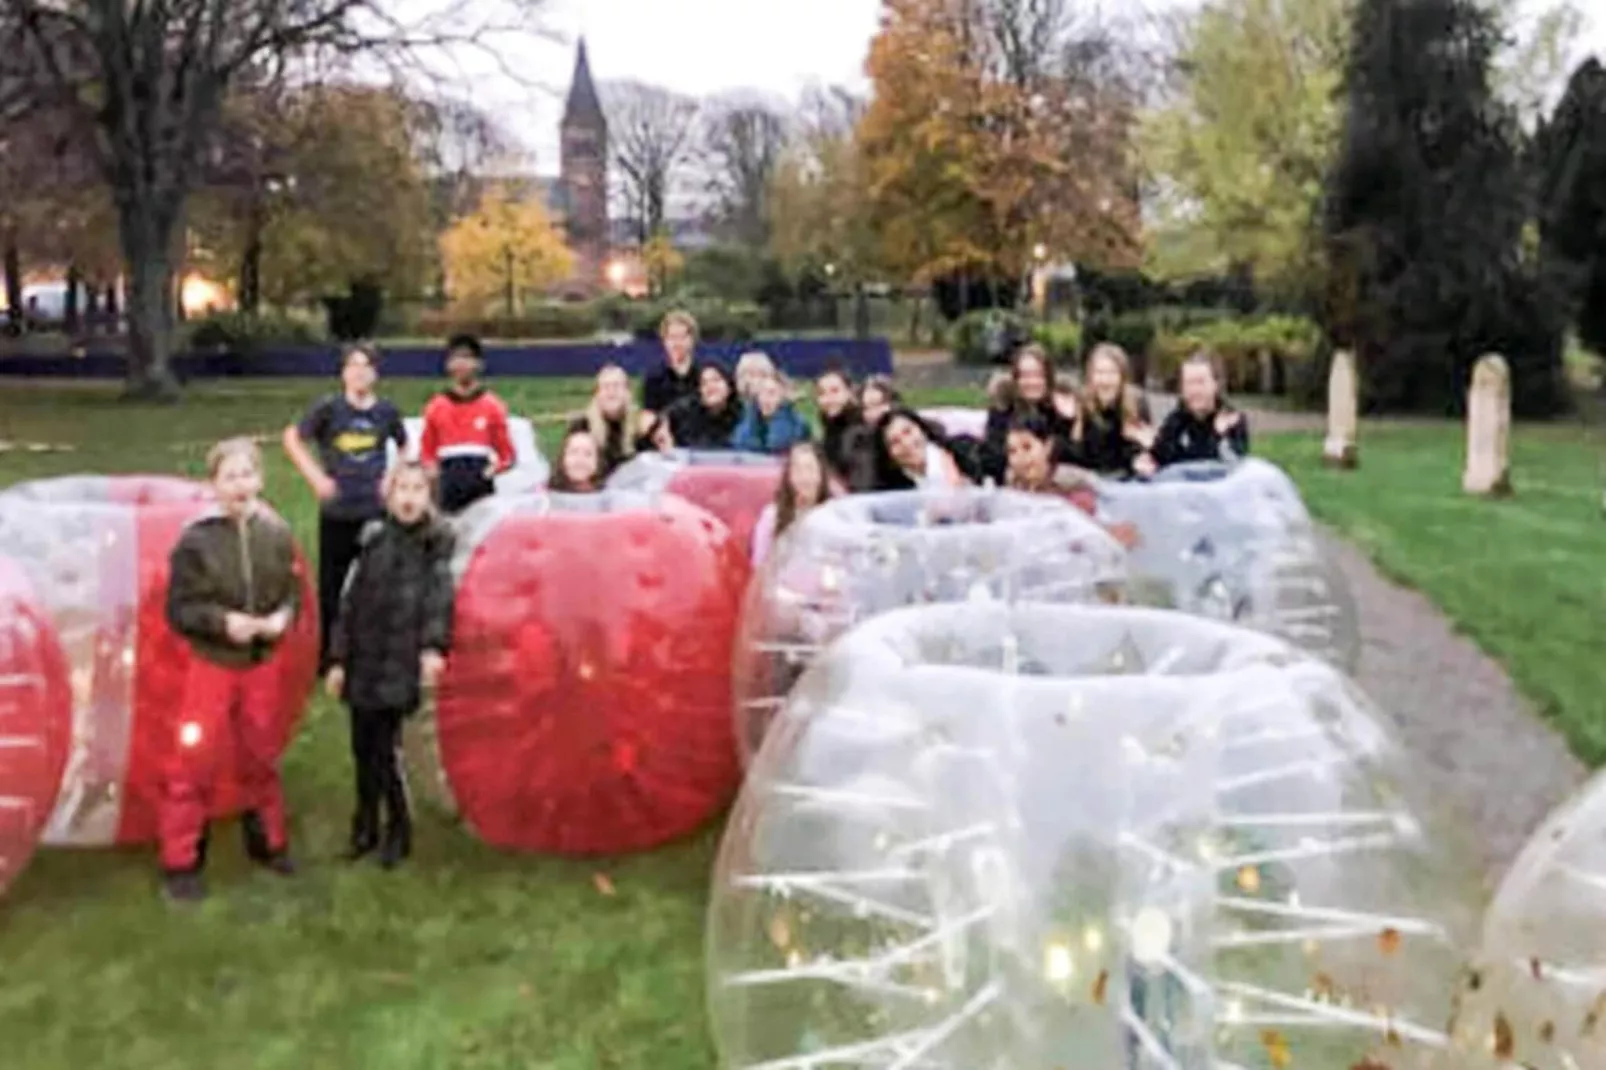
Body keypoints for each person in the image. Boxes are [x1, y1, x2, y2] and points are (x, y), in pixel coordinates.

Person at [160, 438, 302, 902]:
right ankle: (182, 859)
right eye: (230, 477)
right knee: (195, 760)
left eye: (247, 475)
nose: (241, 485)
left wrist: (281, 617)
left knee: (261, 751)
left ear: (260, 479)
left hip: (260, 665)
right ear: (214, 485)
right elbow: (179, 608)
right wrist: (222, 623)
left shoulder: (276, 533)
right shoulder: (196, 541)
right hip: (212, 666)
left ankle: (268, 841)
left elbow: (291, 589)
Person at [325, 461, 454, 868]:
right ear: (389, 495)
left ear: (428, 497)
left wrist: (432, 649)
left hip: (399, 662)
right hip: (364, 661)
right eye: (402, 489)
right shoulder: (373, 540)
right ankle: (364, 826)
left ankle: (399, 829)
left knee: (386, 753)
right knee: (361, 750)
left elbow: (438, 604)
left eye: (418, 489)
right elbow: (349, 603)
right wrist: (338, 659)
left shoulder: (434, 548)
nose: (409, 497)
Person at [281, 343, 407, 673]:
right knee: (332, 588)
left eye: (366, 366)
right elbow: (292, 438)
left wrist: (390, 481)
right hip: (338, 511)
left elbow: (405, 444)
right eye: (353, 365)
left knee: (376, 584)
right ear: (343, 373)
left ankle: (372, 651)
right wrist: (316, 479)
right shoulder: (329, 409)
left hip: (373, 509)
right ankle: (328, 658)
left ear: (376, 373)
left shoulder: (385, 412)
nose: (360, 372)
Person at [419, 333, 515, 514]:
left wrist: (488, 472)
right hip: (447, 490)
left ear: (479, 364)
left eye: (468, 358)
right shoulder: (435, 407)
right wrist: (433, 475)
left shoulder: (492, 406)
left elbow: (507, 455)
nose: (462, 364)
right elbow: (426, 452)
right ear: (448, 365)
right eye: (456, 358)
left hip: (480, 491)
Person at [982, 344, 1075, 481]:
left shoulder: (1060, 410)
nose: (1032, 382)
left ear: (1048, 378)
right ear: (1016, 379)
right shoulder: (1002, 410)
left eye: (1038, 375)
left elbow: (1078, 455)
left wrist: (1068, 420)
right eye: (1025, 375)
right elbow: (991, 456)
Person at [1067, 343, 1156, 479]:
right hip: (1090, 476)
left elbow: (1145, 451)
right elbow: (1076, 455)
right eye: (1100, 373)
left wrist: (1146, 447)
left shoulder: (1137, 401)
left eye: (1112, 373)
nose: (1105, 380)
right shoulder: (1081, 402)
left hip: (1126, 476)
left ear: (1122, 376)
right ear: (1090, 376)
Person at [1153, 351, 1249, 467]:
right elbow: (1162, 461)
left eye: (1200, 382)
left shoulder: (1231, 420)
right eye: (1189, 383)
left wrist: (1217, 436)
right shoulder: (1176, 420)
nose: (1195, 390)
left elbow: (1232, 464)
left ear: (1216, 384)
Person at [751, 441, 835, 567]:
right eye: (798, 470)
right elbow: (759, 565)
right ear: (789, 477)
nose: (804, 477)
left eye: (810, 469)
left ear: (821, 474)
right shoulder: (772, 517)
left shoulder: (834, 516)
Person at [872, 407, 971, 491]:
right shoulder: (892, 488)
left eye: (908, 432)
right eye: (895, 442)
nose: (906, 443)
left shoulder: (964, 453)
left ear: (921, 429)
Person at [815, 364, 875, 491]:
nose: (828, 399)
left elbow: (863, 483)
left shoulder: (860, 432)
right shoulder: (831, 429)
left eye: (835, 391)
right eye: (822, 393)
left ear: (849, 392)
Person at [573, 363, 637, 476]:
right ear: (597, 394)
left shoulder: (640, 426)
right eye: (606, 387)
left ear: (627, 392)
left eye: (616, 386)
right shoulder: (582, 426)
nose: (611, 392)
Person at [732, 372, 811, 454]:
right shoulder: (747, 420)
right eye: (760, 393)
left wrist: (781, 413)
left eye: (771, 393)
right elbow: (740, 447)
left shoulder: (796, 423)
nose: (765, 399)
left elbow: (778, 444)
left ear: (783, 396)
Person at [667, 363, 742, 449]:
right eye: (704, 383)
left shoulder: (743, 414)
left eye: (716, 380)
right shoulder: (683, 412)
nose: (710, 386)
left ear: (729, 387)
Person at [643, 309, 704, 414]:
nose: (677, 343)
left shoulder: (704, 375)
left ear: (692, 339)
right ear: (664, 341)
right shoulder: (654, 377)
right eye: (672, 337)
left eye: (682, 337)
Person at [549, 427, 604, 492]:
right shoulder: (545, 495)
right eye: (574, 452)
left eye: (588, 454)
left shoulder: (608, 496)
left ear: (598, 462)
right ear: (562, 458)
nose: (580, 460)